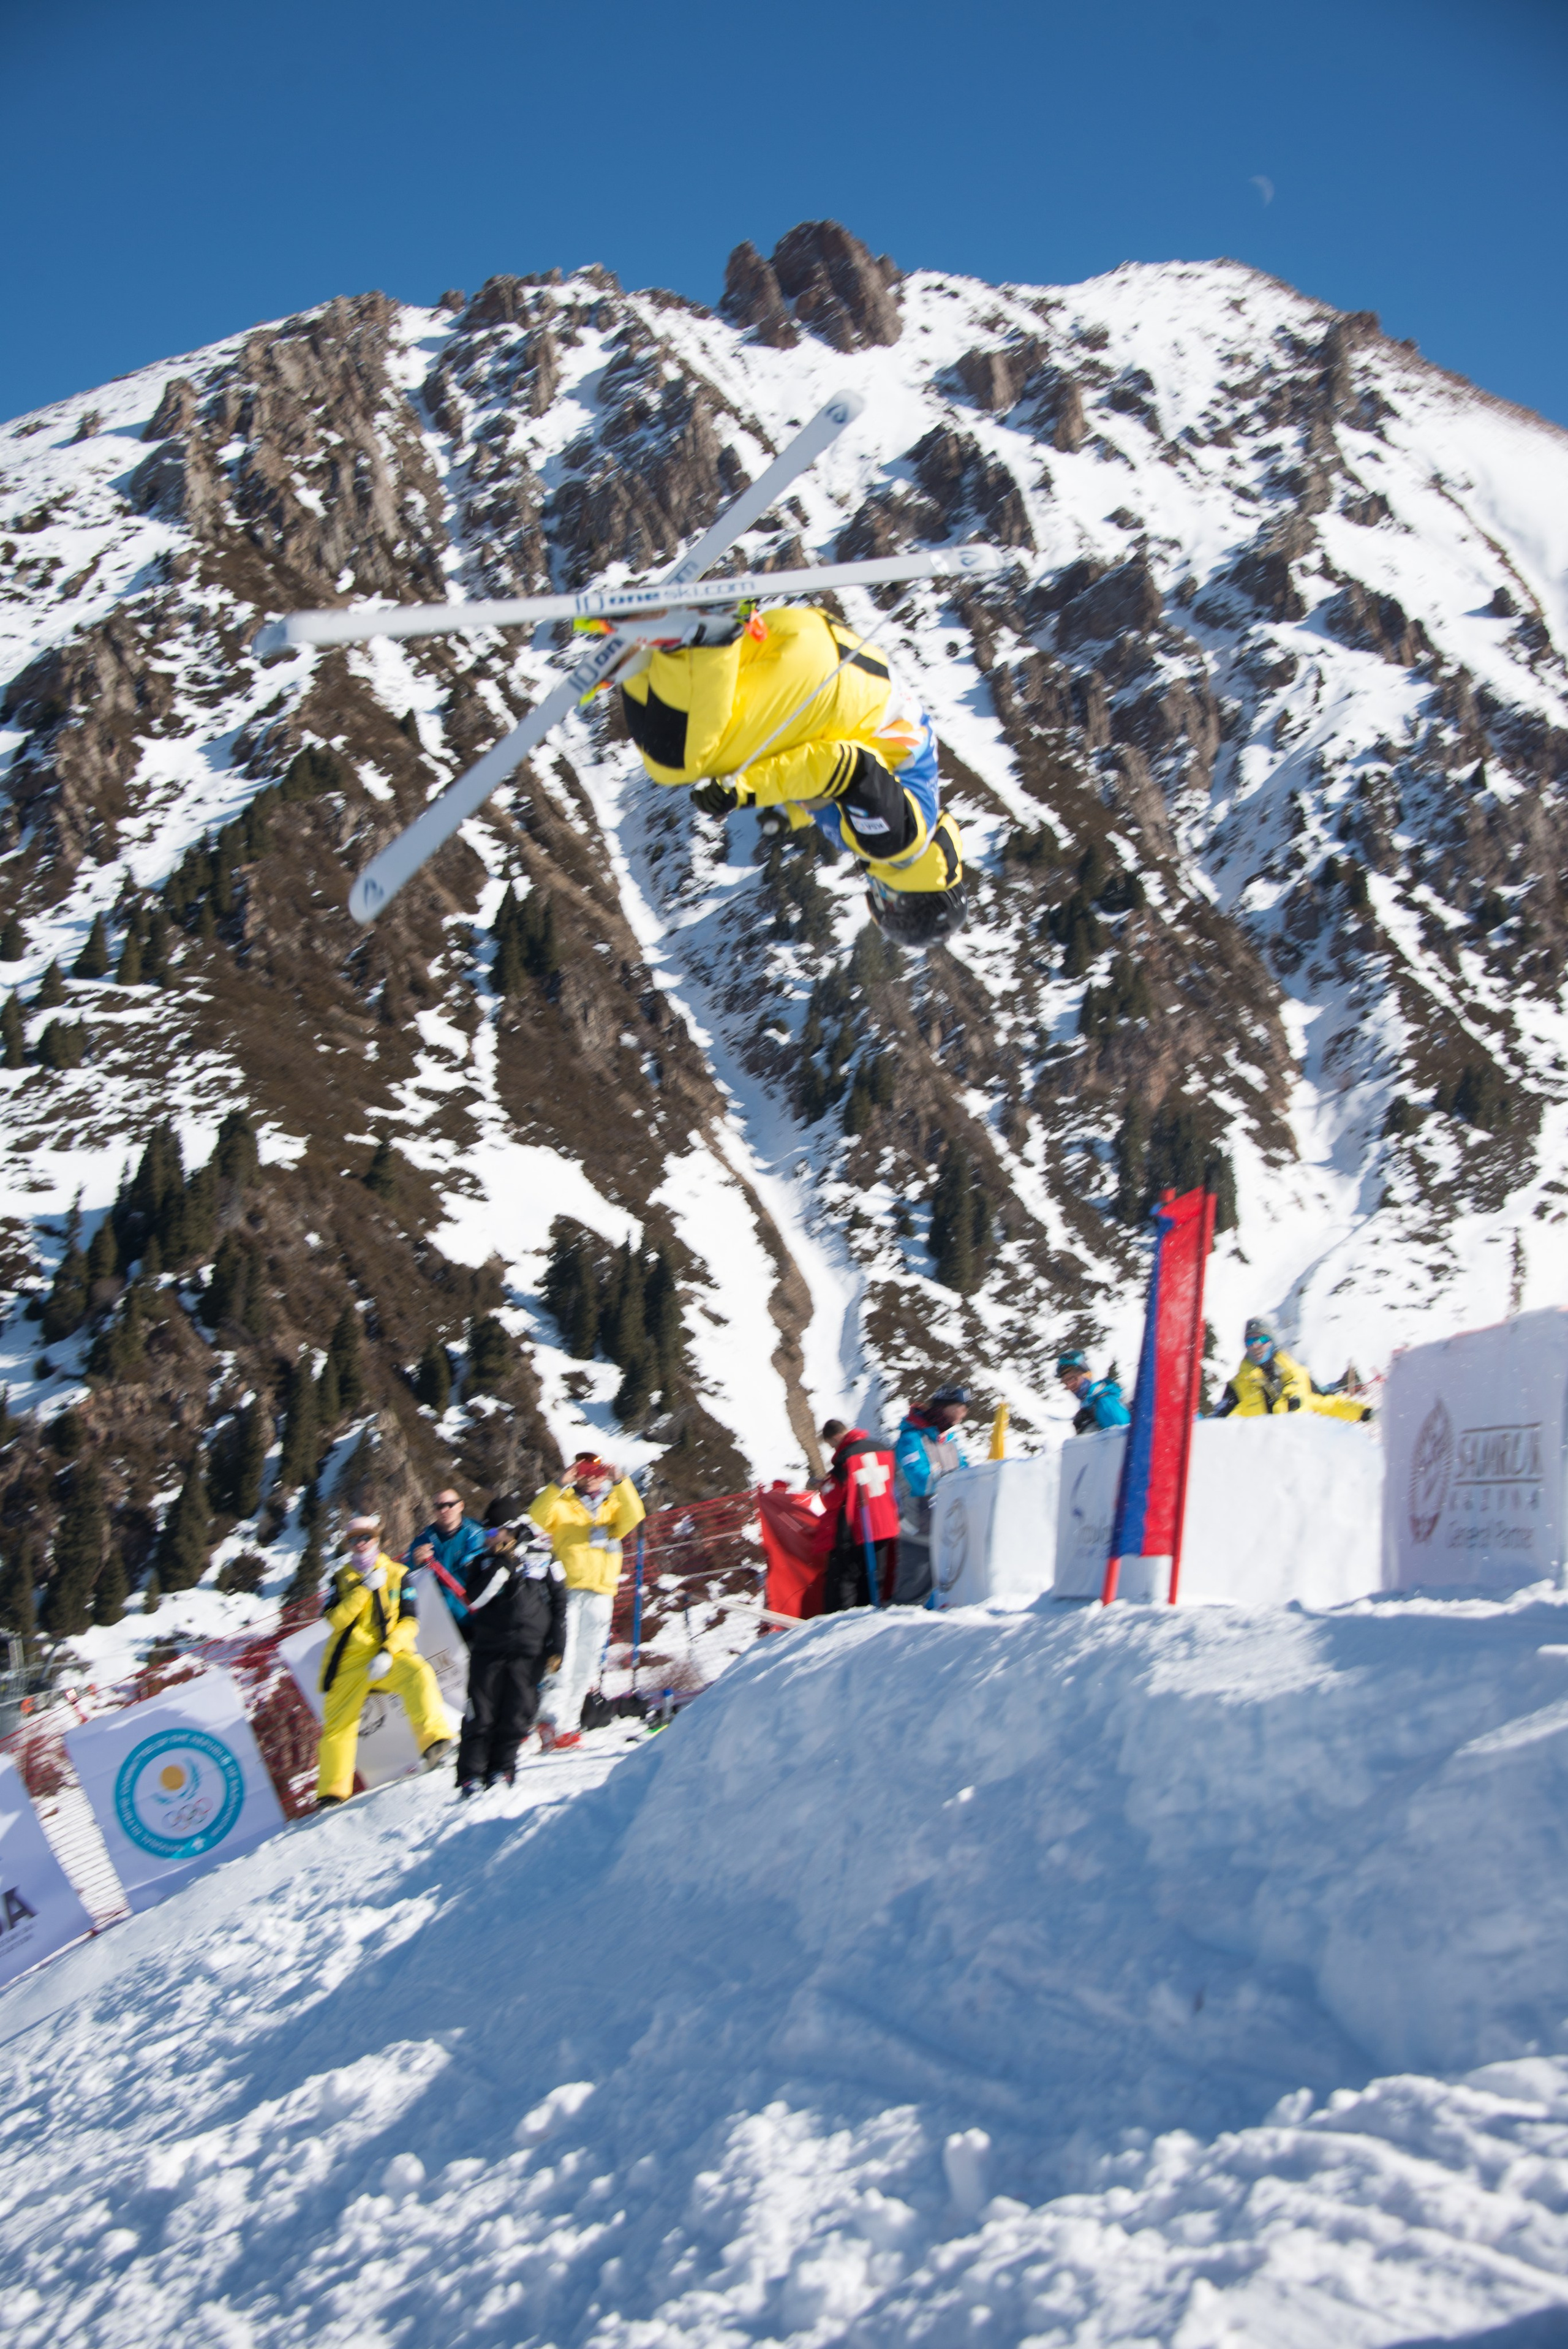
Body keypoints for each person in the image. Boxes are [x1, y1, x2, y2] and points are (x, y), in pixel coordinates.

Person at [617, 601, 967, 948]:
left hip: (820, 648)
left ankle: (643, 655)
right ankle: (710, 630)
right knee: (683, 756)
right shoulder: (897, 844)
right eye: (893, 913)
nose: (880, 903)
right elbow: (844, 767)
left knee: (666, 751)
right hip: (826, 684)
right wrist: (747, 791)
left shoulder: (915, 823)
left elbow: (847, 789)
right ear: (905, 899)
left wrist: (791, 815)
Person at [315, 1515, 453, 1805]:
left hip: (387, 1654)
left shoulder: (399, 1574)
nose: (361, 1544)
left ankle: (435, 1744)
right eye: (354, 1540)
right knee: (338, 1726)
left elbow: (410, 1621)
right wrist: (364, 1589)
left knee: (418, 1673)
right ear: (348, 1545)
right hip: (347, 1662)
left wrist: (388, 1650)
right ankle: (331, 1792)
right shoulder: (339, 1579)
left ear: (377, 1539)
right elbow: (335, 1620)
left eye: (366, 1537)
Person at [529, 1453, 646, 1749]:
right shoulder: (564, 1503)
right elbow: (538, 1515)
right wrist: (560, 1484)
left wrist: (619, 1480)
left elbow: (635, 1515)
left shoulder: (614, 1504)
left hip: (601, 1590)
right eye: (584, 1469)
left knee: (588, 1662)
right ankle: (549, 1721)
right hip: (568, 1589)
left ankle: (568, 1727)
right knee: (563, 1658)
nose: (591, 1475)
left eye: (596, 1469)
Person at [456, 1519, 567, 1795]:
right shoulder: (481, 1562)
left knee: (517, 1713)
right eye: (488, 1532)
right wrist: (502, 1562)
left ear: (512, 1531)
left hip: (531, 1650)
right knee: (481, 1713)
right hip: (489, 1649)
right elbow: (474, 1600)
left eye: (495, 1530)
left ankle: (502, 1769)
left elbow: (560, 1602)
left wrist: (558, 1646)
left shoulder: (544, 1557)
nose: (490, 1536)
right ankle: (472, 1773)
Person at [892, 1384, 970, 1605]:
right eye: (960, 1408)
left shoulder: (950, 1441)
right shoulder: (911, 1438)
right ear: (944, 1407)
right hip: (917, 1532)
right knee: (913, 1595)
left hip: (947, 1531)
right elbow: (921, 1481)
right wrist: (951, 1478)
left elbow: (966, 1473)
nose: (963, 1415)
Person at [1212, 1319, 1374, 1422]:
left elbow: (1329, 1403)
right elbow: (1218, 1423)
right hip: (1261, 1464)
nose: (1256, 1346)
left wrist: (1365, 1413)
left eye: (1261, 1339)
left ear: (1272, 1342)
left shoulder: (1299, 1376)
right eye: (1250, 1341)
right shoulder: (1237, 1386)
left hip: (1296, 1462)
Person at [816, 1418, 901, 1612]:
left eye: (832, 1444)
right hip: (887, 1524)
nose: (833, 1449)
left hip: (857, 1527)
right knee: (874, 1579)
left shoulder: (846, 1457)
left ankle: (840, 1624)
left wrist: (823, 1487)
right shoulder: (883, 1448)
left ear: (836, 1437)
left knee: (844, 1581)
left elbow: (832, 1496)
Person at [405, 1484, 489, 1643]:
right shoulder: (422, 1541)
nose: (444, 1510)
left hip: (479, 1616)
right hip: (442, 1621)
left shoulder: (478, 1534)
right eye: (439, 1507)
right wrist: (414, 1562)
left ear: (461, 1506)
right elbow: (404, 1576)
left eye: (450, 1505)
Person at [1056, 1351, 1131, 1433]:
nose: (1070, 1386)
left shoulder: (1104, 1402)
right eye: (1066, 1382)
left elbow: (1123, 1438)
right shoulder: (1090, 1405)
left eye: (1072, 1379)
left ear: (1087, 1375)